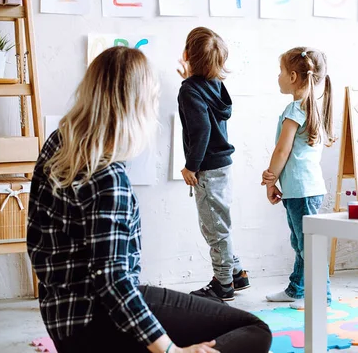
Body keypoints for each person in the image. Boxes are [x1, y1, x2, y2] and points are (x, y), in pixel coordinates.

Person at [27, 47, 272, 353]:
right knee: (255, 329)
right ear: (137, 105)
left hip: (63, 321)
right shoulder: (107, 177)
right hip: (100, 323)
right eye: (153, 98)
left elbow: (36, 242)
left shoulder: (60, 142)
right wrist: (169, 350)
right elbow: (114, 284)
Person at [177, 27, 248, 302]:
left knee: (214, 227)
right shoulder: (216, 85)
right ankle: (237, 273)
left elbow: (202, 129)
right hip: (223, 165)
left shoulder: (189, 91)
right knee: (220, 223)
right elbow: (203, 100)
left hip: (206, 168)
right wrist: (190, 78)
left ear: (186, 55)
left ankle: (223, 284)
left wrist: (190, 167)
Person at [261, 47, 334, 310]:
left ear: (293, 76)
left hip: (302, 190)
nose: (278, 77)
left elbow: (283, 149)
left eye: (280, 72)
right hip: (304, 188)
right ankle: (297, 289)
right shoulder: (310, 107)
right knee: (301, 243)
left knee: (307, 246)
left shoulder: (295, 108)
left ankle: (321, 298)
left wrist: (271, 180)